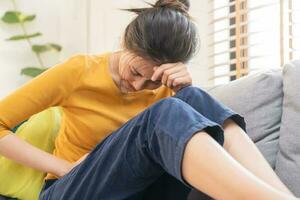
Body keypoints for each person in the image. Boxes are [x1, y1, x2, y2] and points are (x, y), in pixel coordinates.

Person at [0, 0, 298, 199]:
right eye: (135, 71)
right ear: (124, 41)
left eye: (153, 80)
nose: (139, 86)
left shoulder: (169, 87)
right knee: (166, 112)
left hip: (141, 190)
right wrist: (66, 168)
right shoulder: (80, 71)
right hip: (71, 189)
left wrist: (181, 91)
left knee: (192, 97)